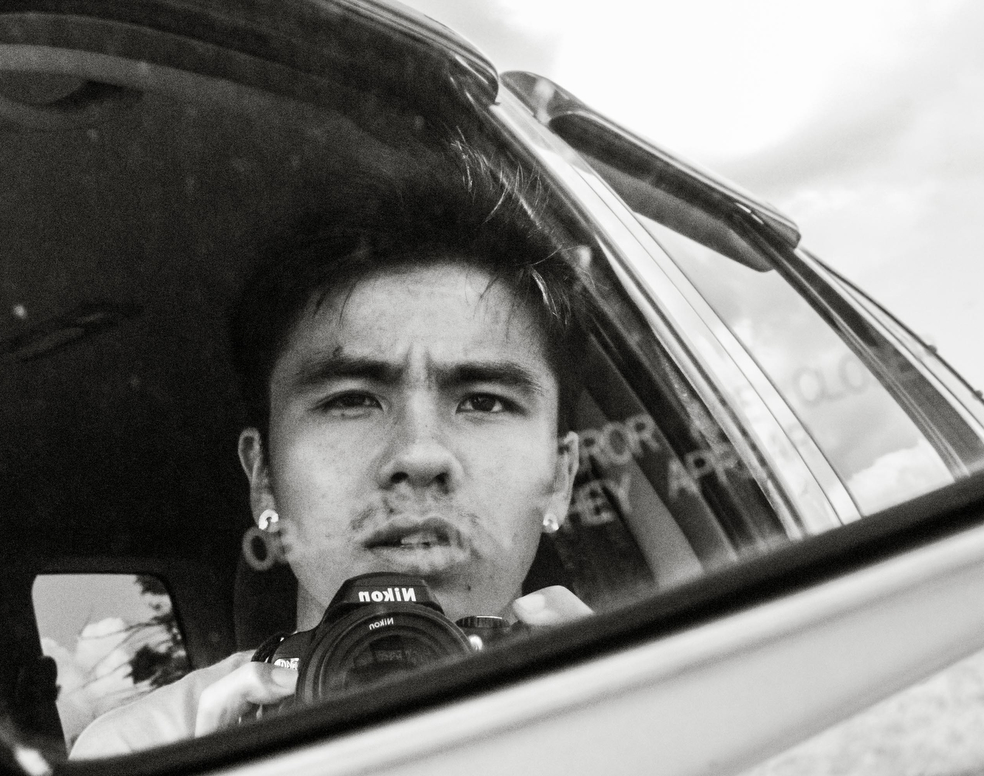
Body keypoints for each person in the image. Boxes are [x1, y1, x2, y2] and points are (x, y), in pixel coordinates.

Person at [69, 146, 594, 758]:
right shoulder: (142, 749)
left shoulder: (624, 695)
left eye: (484, 402)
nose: (420, 455)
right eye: (352, 400)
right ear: (264, 477)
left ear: (560, 478)